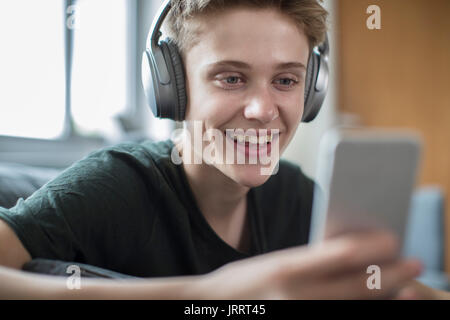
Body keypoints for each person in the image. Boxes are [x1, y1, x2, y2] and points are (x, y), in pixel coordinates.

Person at [0, 0, 443, 299]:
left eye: (286, 80)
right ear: (170, 89)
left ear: (311, 92)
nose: (261, 109)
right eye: (231, 78)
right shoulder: (116, 183)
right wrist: (210, 295)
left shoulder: (297, 196)